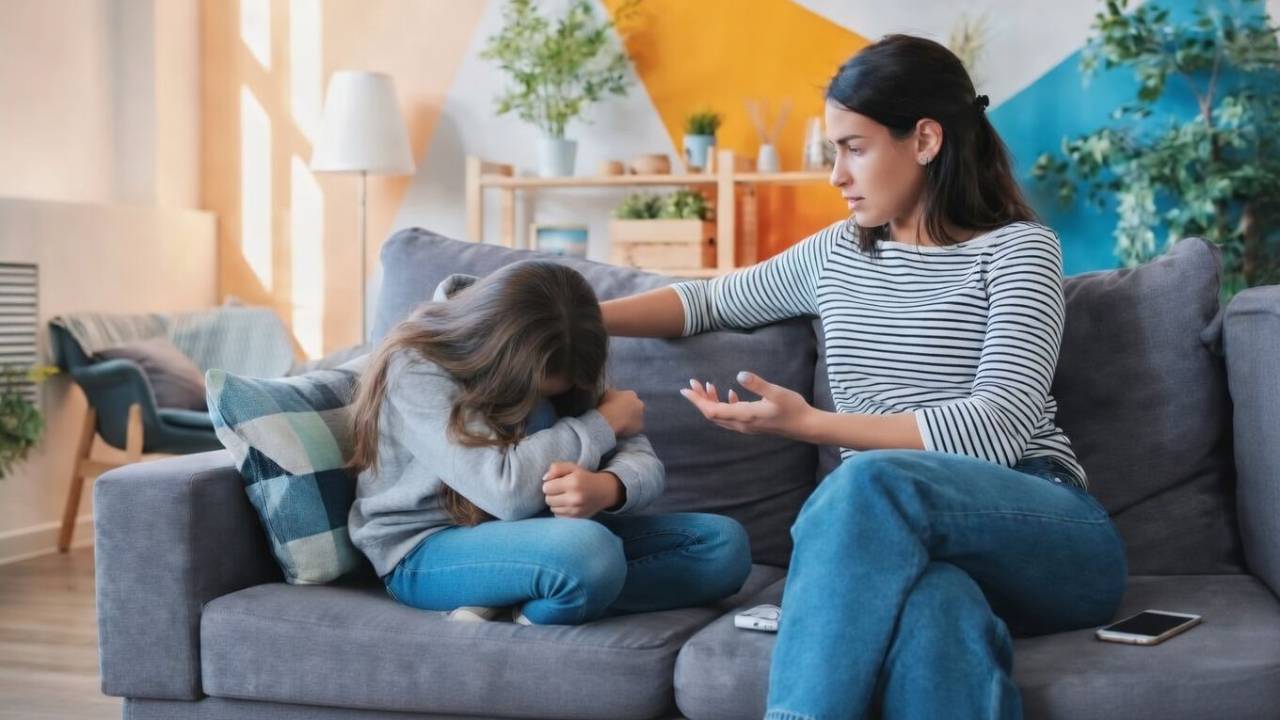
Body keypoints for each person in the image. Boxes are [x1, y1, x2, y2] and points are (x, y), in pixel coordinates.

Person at [599, 34, 1127, 719]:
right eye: (834, 152)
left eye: (854, 147)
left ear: (926, 140)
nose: (836, 175)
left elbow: (996, 430)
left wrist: (809, 424)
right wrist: (569, 316)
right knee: (937, 611)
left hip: (1044, 529)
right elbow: (705, 301)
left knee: (869, 478)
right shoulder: (835, 256)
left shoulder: (1017, 251)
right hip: (908, 548)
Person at [347, 260, 752, 626]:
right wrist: (604, 421)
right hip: (428, 547)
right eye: (537, 390)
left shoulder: (566, 341)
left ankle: (520, 596)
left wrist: (608, 488)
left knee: (722, 546)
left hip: (548, 536)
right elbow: (504, 491)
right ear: (502, 354)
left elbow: (640, 456)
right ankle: (546, 596)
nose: (547, 399)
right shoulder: (416, 365)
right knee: (589, 552)